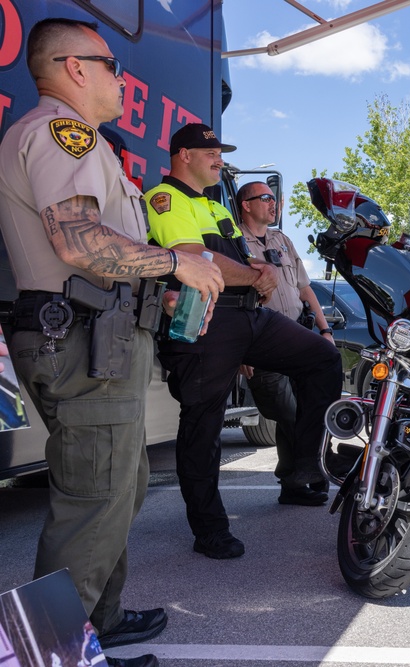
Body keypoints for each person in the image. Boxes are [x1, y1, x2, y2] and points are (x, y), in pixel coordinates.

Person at [0, 18, 223, 667]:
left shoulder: (86, 144)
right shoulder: (59, 132)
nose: (120, 77)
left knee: (118, 487)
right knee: (93, 500)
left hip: (104, 336)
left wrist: (164, 275)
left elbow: (110, 251)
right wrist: (174, 263)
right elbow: (78, 242)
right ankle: (45, 655)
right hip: (77, 337)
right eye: (109, 64)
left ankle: (101, 620)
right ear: (74, 67)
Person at [145, 123, 342, 559]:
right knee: (204, 425)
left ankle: (305, 464)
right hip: (207, 321)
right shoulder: (166, 199)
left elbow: (239, 256)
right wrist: (257, 274)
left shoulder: (213, 205)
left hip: (249, 314)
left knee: (322, 359)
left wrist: (258, 269)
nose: (219, 158)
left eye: (220, 151)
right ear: (184, 155)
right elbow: (195, 259)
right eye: (210, 151)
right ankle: (210, 529)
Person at [236, 180, 336, 506]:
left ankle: (296, 483)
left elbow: (305, 290)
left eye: (274, 197)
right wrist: (241, 349)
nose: (273, 202)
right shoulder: (234, 242)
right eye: (264, 198)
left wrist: (324, 331)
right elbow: (232, 298)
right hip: (261, 342)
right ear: (246, 204)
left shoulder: (282, 240)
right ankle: (304, 474)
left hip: (297, 336)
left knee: (309, 409)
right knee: (290, 413)